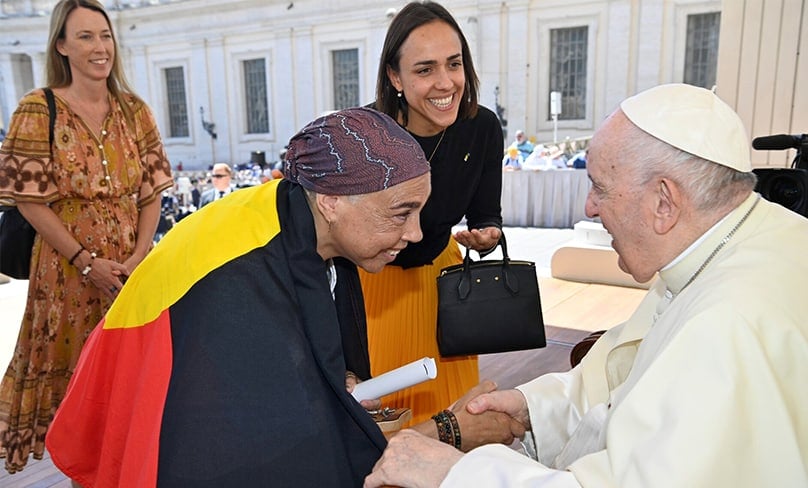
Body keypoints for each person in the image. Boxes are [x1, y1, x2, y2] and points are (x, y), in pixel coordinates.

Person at [364, 83, 808, 488]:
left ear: (664, 202)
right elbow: (620, 376)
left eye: (600, 188)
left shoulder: (730, 325)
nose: (589, 207)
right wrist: (530, 407)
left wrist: (455, 474)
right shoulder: (726, 249)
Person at [44, 107, 436, 487]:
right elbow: (274, 455)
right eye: (402, 214)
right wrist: (441, 433)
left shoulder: (292, 218)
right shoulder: (240, 279)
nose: (416, 233)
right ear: (331, 202)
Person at [0, 0, 173, 474]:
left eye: (105, 35)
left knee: (128, 394)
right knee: (78, 404)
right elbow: (30, 200)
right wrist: (85, 261)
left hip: (128, 277)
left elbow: (152, 191)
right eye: (85, 37)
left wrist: (139, 256)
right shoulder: (38, 109)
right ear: (61, 45)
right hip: (65, 277)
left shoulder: (134, 110)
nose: (100, 47)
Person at [361, 0, 504, 425]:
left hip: (442, 294)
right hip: (369, 296)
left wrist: (486, 236)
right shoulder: (364, 134)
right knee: (378, 427)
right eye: (425, 69)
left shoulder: (482, 129)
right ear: (395, 76)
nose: (446, 83)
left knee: (451, 422)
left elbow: (485, 215)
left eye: (454, 64)